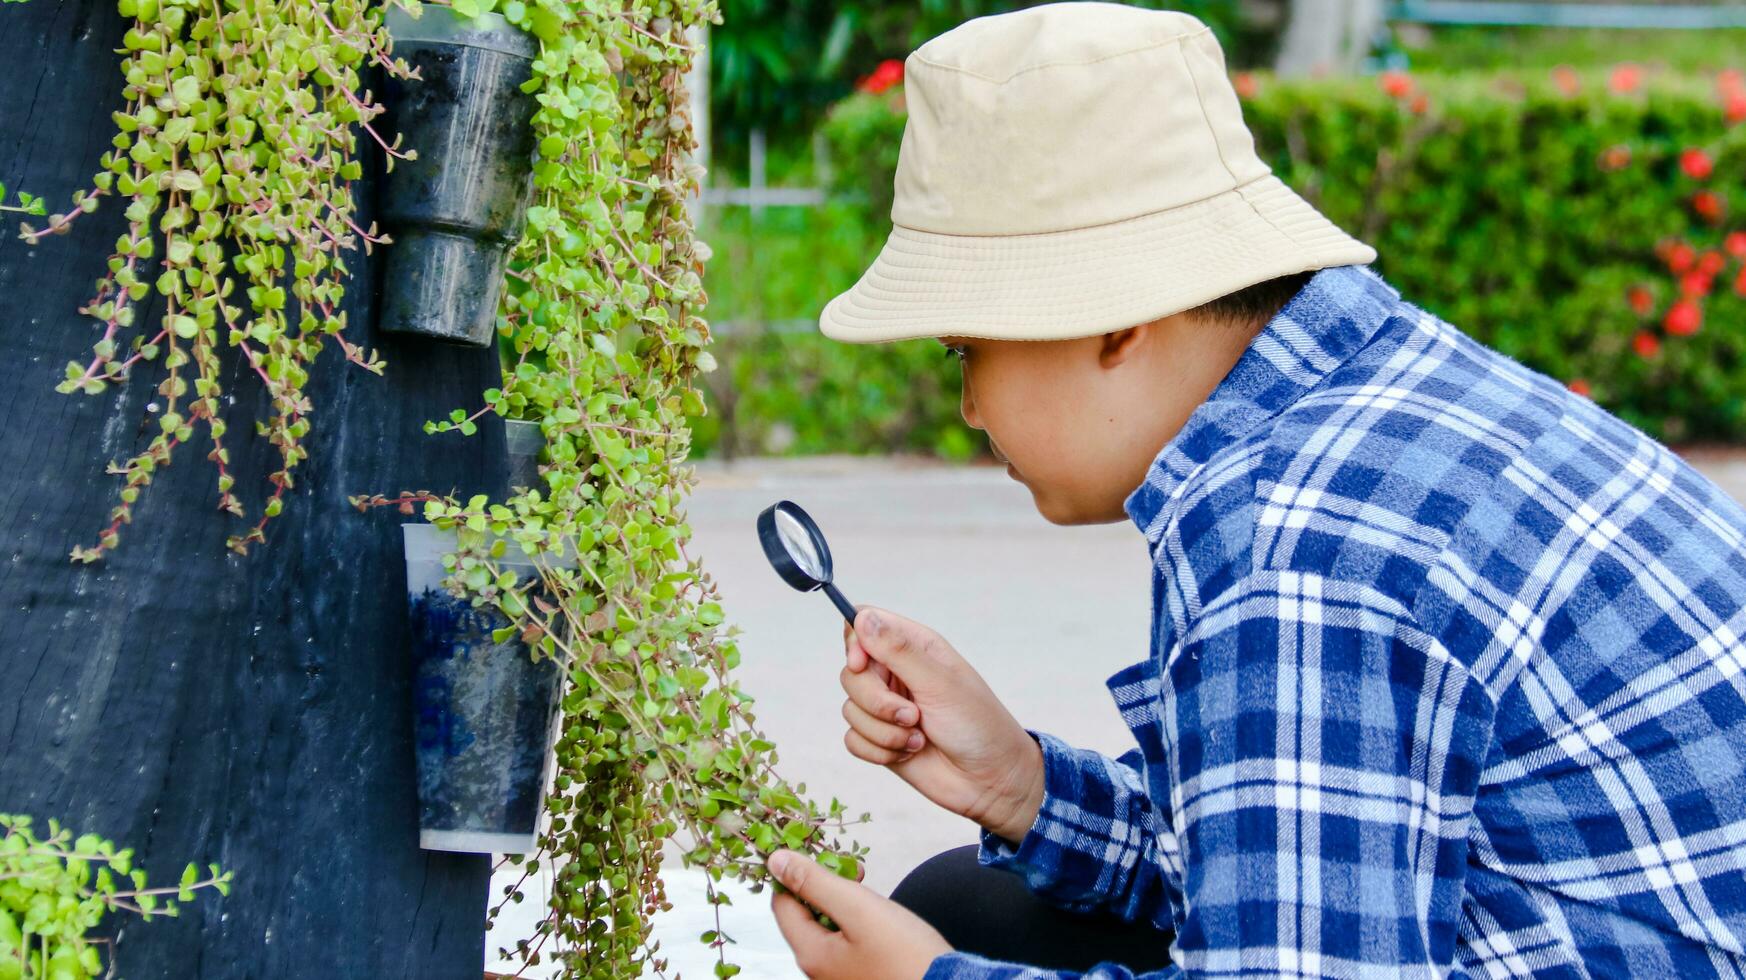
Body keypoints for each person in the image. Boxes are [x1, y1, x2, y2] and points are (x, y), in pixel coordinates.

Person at [759, 4, 1746, 978]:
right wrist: (1023, 782)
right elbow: (1283, 870)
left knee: (948, 936)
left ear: (1111, 317)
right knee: (969, 900)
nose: (970, 404)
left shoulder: (1300, 549)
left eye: (968, 349)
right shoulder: (1372, 400)